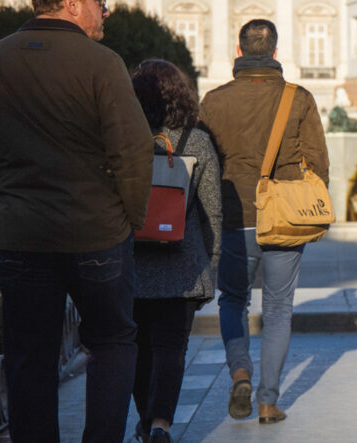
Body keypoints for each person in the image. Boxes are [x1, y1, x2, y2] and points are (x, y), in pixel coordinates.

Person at [0, 0, 151, 443]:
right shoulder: (103, 64)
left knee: (29, 355)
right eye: (100, 2)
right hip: (97, 233)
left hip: (19, 237)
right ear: (72, 4)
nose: (106, 12)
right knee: (113, 341)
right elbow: (133, 151)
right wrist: (129, 219)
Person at [200, 18, 329, 424]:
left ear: (239, 53)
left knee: (234, 300)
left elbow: (204, 163)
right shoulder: (299, 98)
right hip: (286, 217)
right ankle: (269, 402)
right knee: (278, 308)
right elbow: (319, 161)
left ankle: (240, 370)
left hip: (236, 215)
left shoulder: (214, 100)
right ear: (275, 53)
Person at [128, 59, 223, 443]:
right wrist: (210, 265)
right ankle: (160, 425)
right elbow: (212, 209)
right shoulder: (196, 140)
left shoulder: (121, 138)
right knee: (171, 347)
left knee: (135, 347)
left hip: (129, 264)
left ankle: (145, 417)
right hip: (181, 265)